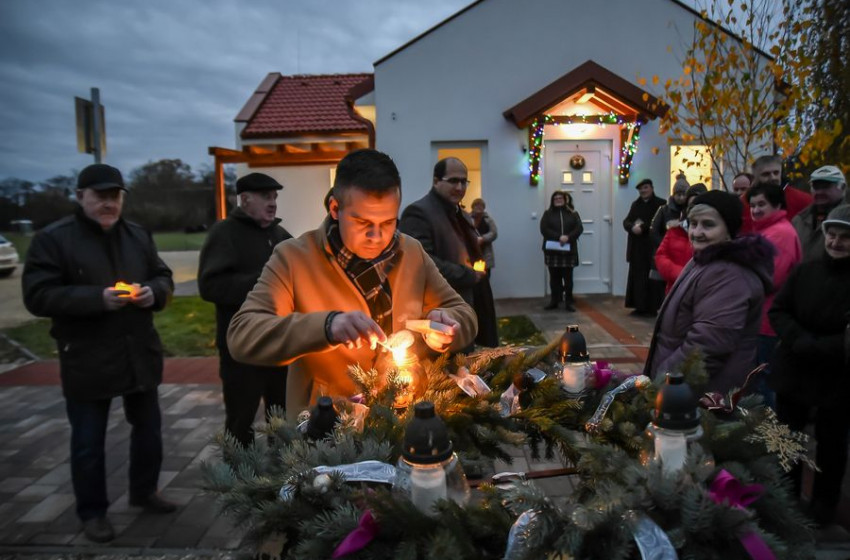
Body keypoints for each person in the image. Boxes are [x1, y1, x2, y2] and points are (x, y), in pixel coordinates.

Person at [227, 149, 477, 416]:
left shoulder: (411, 252)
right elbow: (243, 335)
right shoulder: (294, 259)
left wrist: (445, 325)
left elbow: (466, 316)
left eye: (388, 222)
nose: (377, 236)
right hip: (327, 428)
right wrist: (326, 327)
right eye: (362, 222)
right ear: (335, 208)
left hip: (403, 422)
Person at [21, 163, 176, 543]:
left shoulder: (137, 235)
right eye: (100, 196)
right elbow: (37, 295)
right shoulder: (53, 239)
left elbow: (163, 275)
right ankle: (93, 512)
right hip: (86, 355)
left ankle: (144, 492)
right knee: (88, 441)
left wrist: (153, 293)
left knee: (149, 431)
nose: (109, 203)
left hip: (138, 351)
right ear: (80, 197)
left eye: (115, 196)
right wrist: (96, 299)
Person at [644, 190, 774, 394]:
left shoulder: (729, 274)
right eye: (693, 224)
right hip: (685, 392)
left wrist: (662, 383)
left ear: (729, 229)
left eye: (708, 224)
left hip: (705, 397)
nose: (697, 232)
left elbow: (706, 347)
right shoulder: (705, 260)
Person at [769, 205, 850, 526]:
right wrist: (798, 339)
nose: (836, 242)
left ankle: (823, 507)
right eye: (832, 234)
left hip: (838, 376)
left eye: (845, 237)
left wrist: (824, 346)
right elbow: (779, 310)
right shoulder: (806, 271)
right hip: (795, 370)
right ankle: (785, 500)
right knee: (788, 440)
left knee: (832, 445)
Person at [198, 173, 293, 447]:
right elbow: (210, 286)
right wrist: (263, 282)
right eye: (266, 196)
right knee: (240, 422)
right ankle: (239, 484)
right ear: (245, 198)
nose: (273, 202)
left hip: (279, 344)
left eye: (274, 196)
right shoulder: (224, 233)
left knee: (283, 421)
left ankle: (283, 479)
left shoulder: (281, 236)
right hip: (241, 347)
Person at [399, 157, 498, 348]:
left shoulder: (460, 212)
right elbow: (420, 263)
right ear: (436, 181)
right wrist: (469, 275)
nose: (460, 187)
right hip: (443, 313)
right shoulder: (418, 212)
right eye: (453, 181)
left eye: (464, 181)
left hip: (471, 302)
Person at [746, 182, 802, 408]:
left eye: (762, 204)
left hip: (768, 320)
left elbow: (770, 277)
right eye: (752, 205)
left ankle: (767, 434)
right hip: (762, 317)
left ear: (777, 204)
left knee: (764, 380)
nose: (756, 210)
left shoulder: (780, 233)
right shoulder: (767, 230)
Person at [653, 183, 707, 293]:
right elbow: (661, 256)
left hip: (701, 291)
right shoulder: (675, 230)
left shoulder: (713, 233)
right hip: (675, 291)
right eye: (691, 205)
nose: (695, 209)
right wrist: (680, 273)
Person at [623, 178, 666, 316]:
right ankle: (639, 306)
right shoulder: (636, 204)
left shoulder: (661, 204)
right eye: (641, 189)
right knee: (638, 278)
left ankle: (652, 308)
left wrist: (642, 227)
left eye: (645, 188)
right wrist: (632, 227)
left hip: (652, 247)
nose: (643, 191)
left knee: (652, 278)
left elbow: (659, 224)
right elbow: (626, 221)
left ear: (651, 188)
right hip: (637, 248)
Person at [741, 155, 813, 234]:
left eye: (776, 173)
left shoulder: (802, 200)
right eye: (766, 174)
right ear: (755, 178)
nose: (773, 178)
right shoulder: (742, 204)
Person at [792, 165, 848, 261]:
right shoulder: (799, 220)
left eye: (826, 186)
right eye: (816, 186)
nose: (819, 192)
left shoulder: (847, 219)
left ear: (842, 187)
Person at [539, 190, 583, 311]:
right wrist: (559, 237)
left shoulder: (573, 213)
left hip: (569, 251)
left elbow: (579, 228)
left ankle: (569, 302)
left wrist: (568, 237)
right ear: (552, 201)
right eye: (556, 198)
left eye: (560, 198)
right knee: (554, 278)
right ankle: (554, 300)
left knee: (568, 279)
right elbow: (544, 229)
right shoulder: (547, 214)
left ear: (565, 200)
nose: (558, 200)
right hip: (552, 251)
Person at [650, 173, 689, 249]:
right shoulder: (664, 210)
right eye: (678, 195)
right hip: (668, 250)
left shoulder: (691, 211)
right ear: (674, 195)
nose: (681, 198)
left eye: (684, 195)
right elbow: (654, 231)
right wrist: (664, 245)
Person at [470, 198, 498, 277]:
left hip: (485, 254)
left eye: (481, 205)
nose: (479, 207)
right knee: (473, 278)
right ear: (473, 207)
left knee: (485, 278)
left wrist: (483, 238)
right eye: (477, 205)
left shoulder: (488, 219)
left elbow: (494, 233)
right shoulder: (467, 218)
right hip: (471, 253)